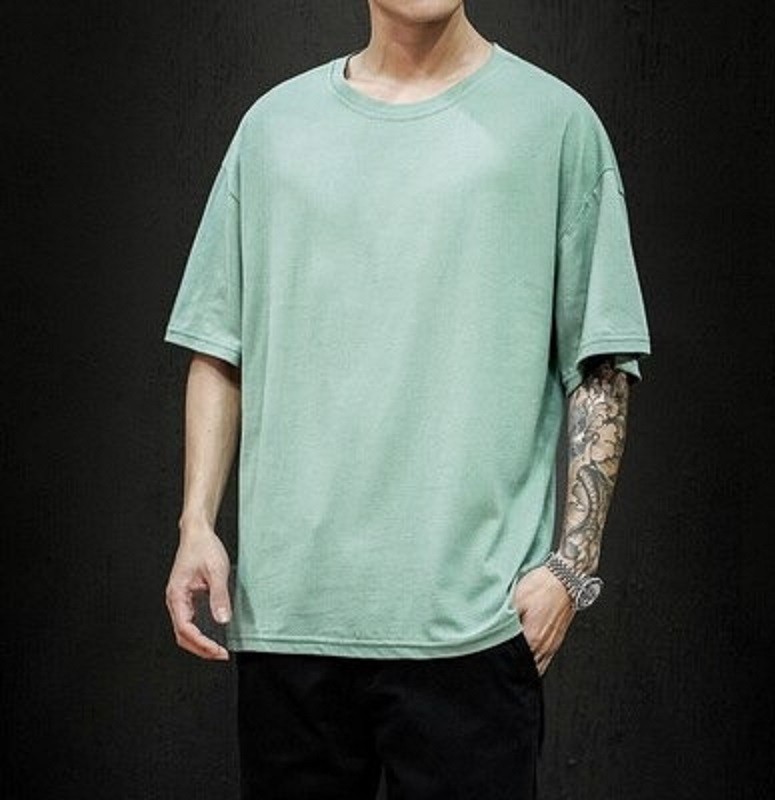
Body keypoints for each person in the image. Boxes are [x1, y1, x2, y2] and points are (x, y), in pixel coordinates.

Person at [163, 2, 651, 798]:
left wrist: (573, 567)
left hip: (472, 628)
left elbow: (600, 361)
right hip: (290, 622)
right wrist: (195, 525)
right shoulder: (273, 131)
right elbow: (219, 348)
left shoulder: (555, 125)